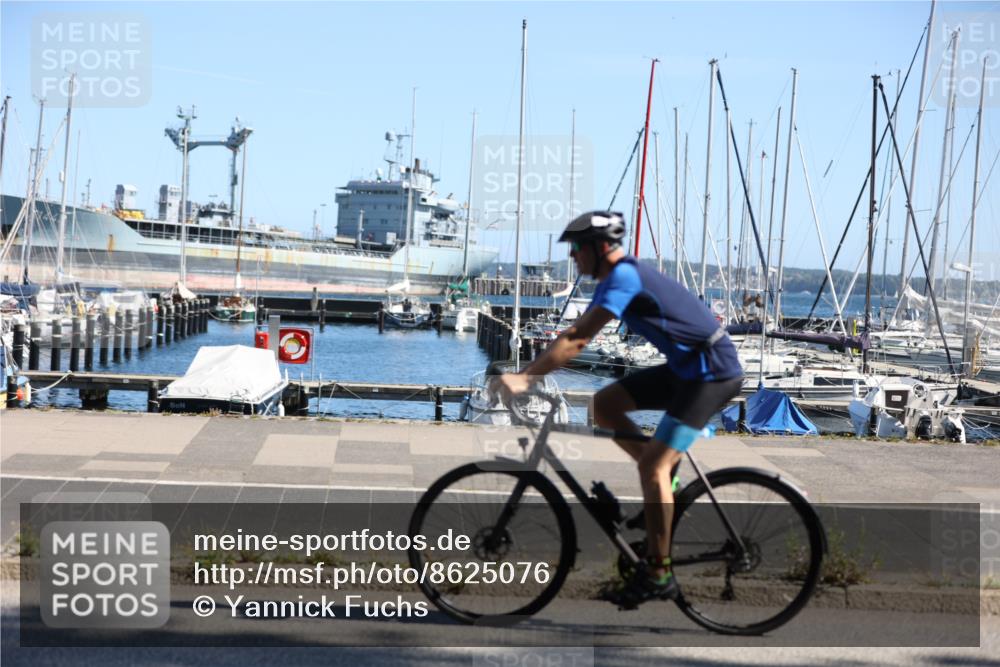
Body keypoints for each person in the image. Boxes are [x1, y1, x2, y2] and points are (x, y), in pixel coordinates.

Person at [496, 211, 744, 608]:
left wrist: (526, 378)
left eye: (577, 248)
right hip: (687, 369)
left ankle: (659, 573)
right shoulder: (616, 279)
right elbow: (574, 334)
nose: (573, 257)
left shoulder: (625, 277)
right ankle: (668, 487)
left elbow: (578, 338)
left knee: (653, 468)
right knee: (604, 405)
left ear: (600, 248)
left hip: (711, 373)